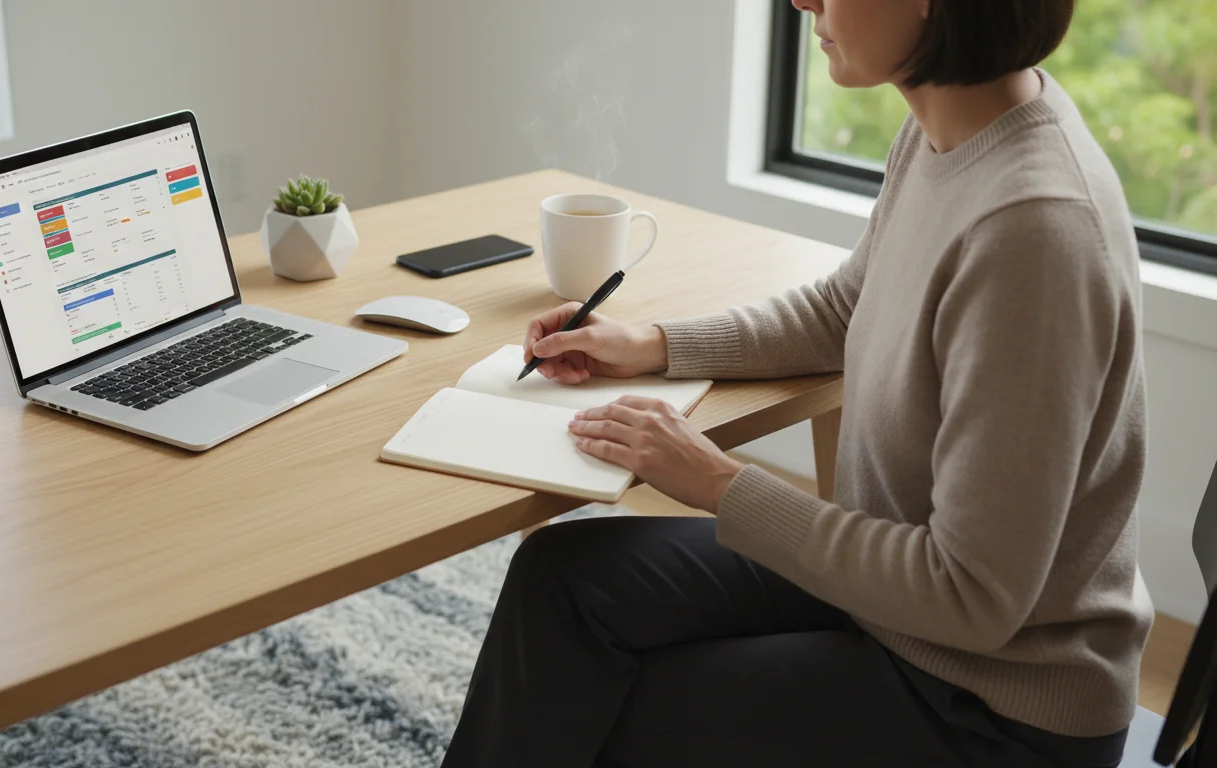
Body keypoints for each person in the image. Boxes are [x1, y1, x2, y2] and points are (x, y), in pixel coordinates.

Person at [441, 0, 1153, 766]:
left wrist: (717, 481)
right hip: (894, 605)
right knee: (562, 578)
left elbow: (969, 596)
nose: (802, 1)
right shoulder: (947, 129)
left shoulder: (1033, 233)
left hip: (990, 705)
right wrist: (651, 344)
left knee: (605, 710)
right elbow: (847, 306)